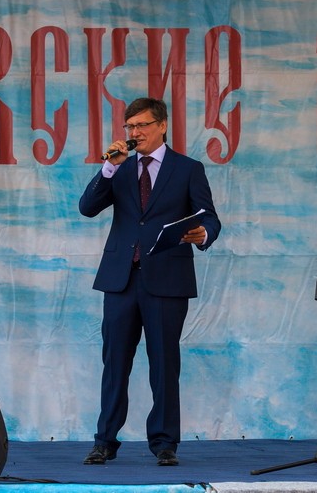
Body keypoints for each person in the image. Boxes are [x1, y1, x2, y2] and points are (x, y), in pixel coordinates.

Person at [79, 97, 221, 466]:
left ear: (162, 126)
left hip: (167, 280)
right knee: (115, 364)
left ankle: (164, 443)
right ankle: (104, 441)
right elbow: (87, 207)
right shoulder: (119, 168)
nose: (135, 132)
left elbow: (210, 217)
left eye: (142, 125)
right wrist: (108, 168)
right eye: (130, 126)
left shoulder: (187, 169)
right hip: (121, 280)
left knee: (164, 363)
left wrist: (203, 233)